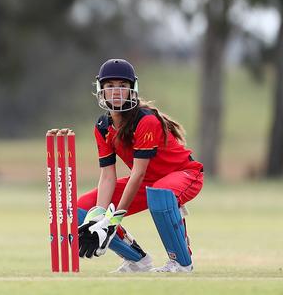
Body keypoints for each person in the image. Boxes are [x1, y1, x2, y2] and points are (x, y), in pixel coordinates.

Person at [76, 58, 204, 273]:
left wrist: (112, 220)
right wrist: (99, 215)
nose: (116, 92)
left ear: (132, 90)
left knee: (160, 192)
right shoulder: (102, 126)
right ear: (101, 90)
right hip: (148, 183)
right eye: (110, 86)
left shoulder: (145, 121)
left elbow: (137, 173)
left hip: (184, 174)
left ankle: (182, 263)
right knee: (81, 210)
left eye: (122, 86)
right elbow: (108, 176)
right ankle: (137, 260)